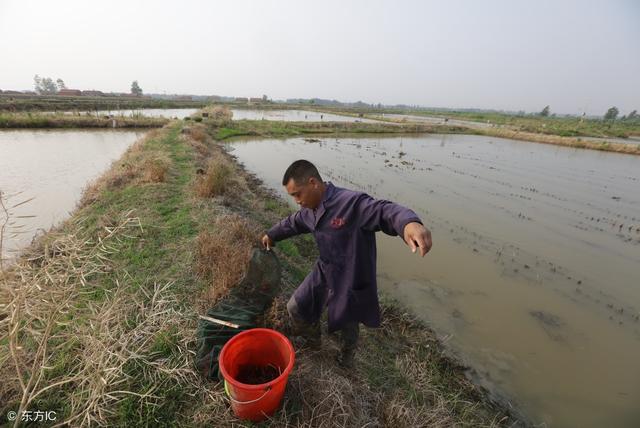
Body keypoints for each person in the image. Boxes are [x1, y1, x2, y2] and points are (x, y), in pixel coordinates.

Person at [261, 160, 432, 367]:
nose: (296, 201)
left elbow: (383, 210)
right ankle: (312, 339)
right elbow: (293, 223)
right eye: (292, 196)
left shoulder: (350, 203)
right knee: (296, 307)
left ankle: (346, 358)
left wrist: (408, 223)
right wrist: (272, 235)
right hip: (324, 271)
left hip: (350, 278)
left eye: (297, 194)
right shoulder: (309, 210)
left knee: (347, 326)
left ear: (313, 183)